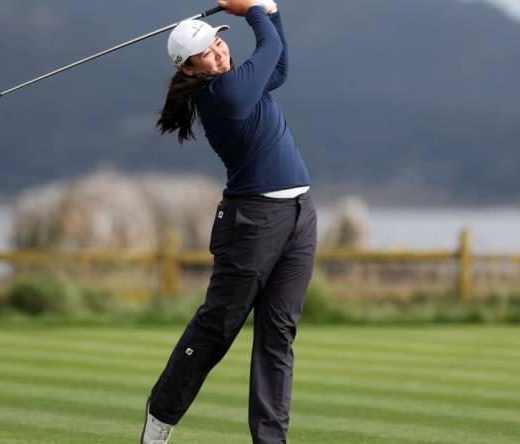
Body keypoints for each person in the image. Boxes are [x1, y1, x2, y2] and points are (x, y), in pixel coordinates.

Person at [142, 0, 317, 442]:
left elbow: (277, 66)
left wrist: (270, 10)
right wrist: (256, 10)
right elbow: (270, 44)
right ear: (188, 69)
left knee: (278, 336)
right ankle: (160, 416)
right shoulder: (222, 95)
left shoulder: (243, 83)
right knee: (218, 328)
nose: (220, 52)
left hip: (299, 214)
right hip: (253, 223)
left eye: (220, 42)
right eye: (208, 51)